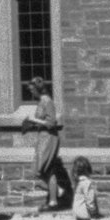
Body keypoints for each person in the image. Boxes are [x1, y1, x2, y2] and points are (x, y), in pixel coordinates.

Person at [18, 78, 70, 212]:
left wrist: (33, 119)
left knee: (41, 169)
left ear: (37, 88)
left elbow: (52, 123)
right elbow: (42, 121)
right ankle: (55, 197)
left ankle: (56, 196)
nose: (31, 92)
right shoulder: (41, 101)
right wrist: (29, 125)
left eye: (32, 90)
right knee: (43, 170)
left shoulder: (47, 101)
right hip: (42, 137)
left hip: (49, 138)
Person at [70, 156, 101, 220]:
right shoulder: (87, 183)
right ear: (88, 169)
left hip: (76, 207)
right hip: (84, 209)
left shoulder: (77, 181)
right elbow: (89, 198)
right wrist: (92, 209)